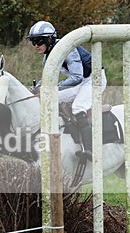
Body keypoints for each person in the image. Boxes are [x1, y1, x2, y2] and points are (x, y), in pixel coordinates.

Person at [27, 20, 106, 160]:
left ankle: (90, 148)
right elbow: (47, 78)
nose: (36, 46)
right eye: (33, 42)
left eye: (38, 42)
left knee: (78, 107)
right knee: (49, 99)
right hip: (81, 81)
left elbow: (76, 77)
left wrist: (52, 88)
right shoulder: (48, 56)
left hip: (94, 80)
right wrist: (36, 88)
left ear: (49, 39)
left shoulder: (68, 49)